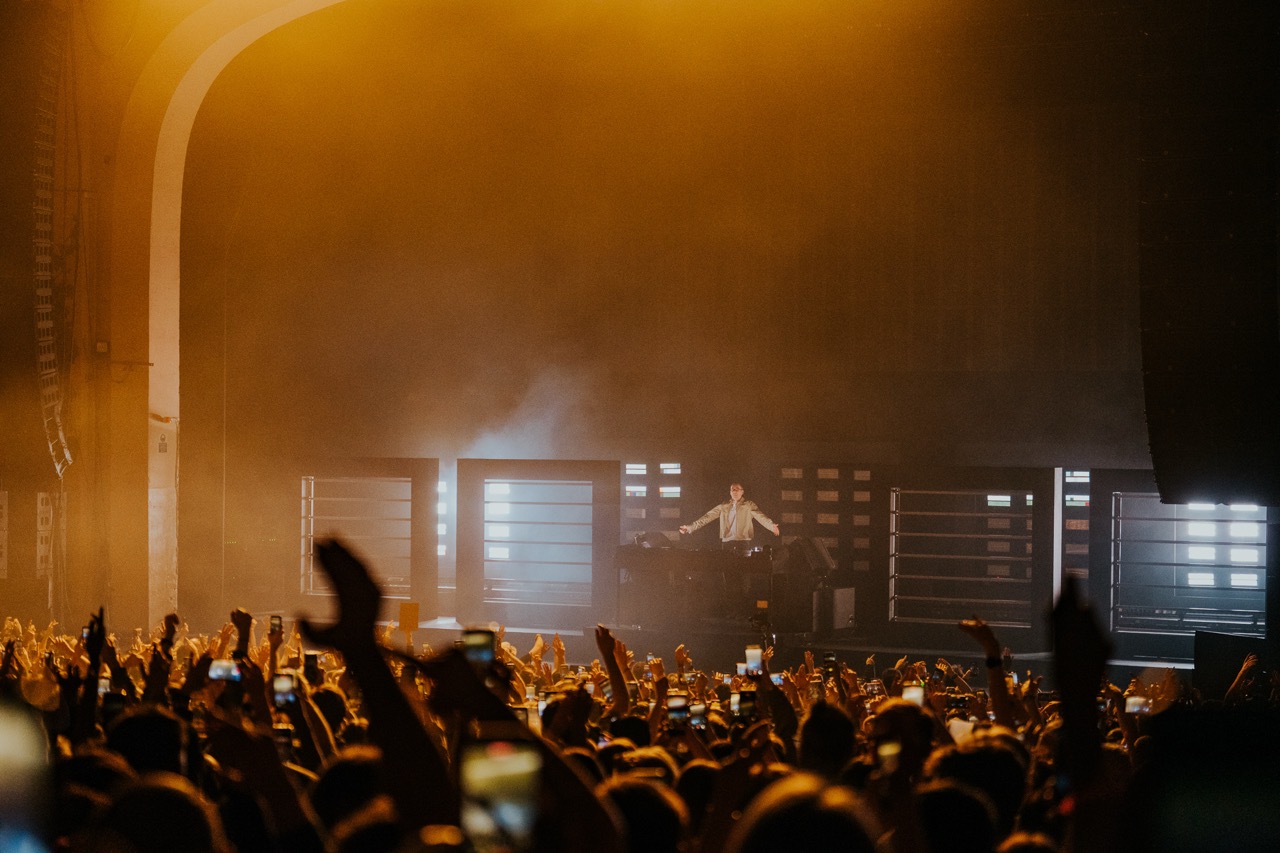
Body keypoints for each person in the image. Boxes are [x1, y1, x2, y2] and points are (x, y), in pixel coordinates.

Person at [679, 483, 780, 553]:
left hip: (743, 541)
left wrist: (771, 526)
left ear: (742, 492)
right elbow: (707, 517)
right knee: (728, 572)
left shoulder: (748, 505)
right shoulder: (724, 506)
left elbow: (760, 516)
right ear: (730, 492)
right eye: (732, 490)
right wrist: (690, 527)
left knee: (743, 571)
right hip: (727, 542)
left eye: (737, 489)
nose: (735, 491)